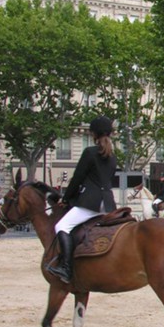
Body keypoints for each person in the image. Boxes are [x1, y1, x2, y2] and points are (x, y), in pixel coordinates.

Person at [47, 116, 117, 283]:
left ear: (93, 134)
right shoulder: (112, 156)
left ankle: (66, 267)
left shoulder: (90, 152)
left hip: (90, 203)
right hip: (107, 203)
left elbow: (77, 178)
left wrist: (66, 198)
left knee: (62, 226)